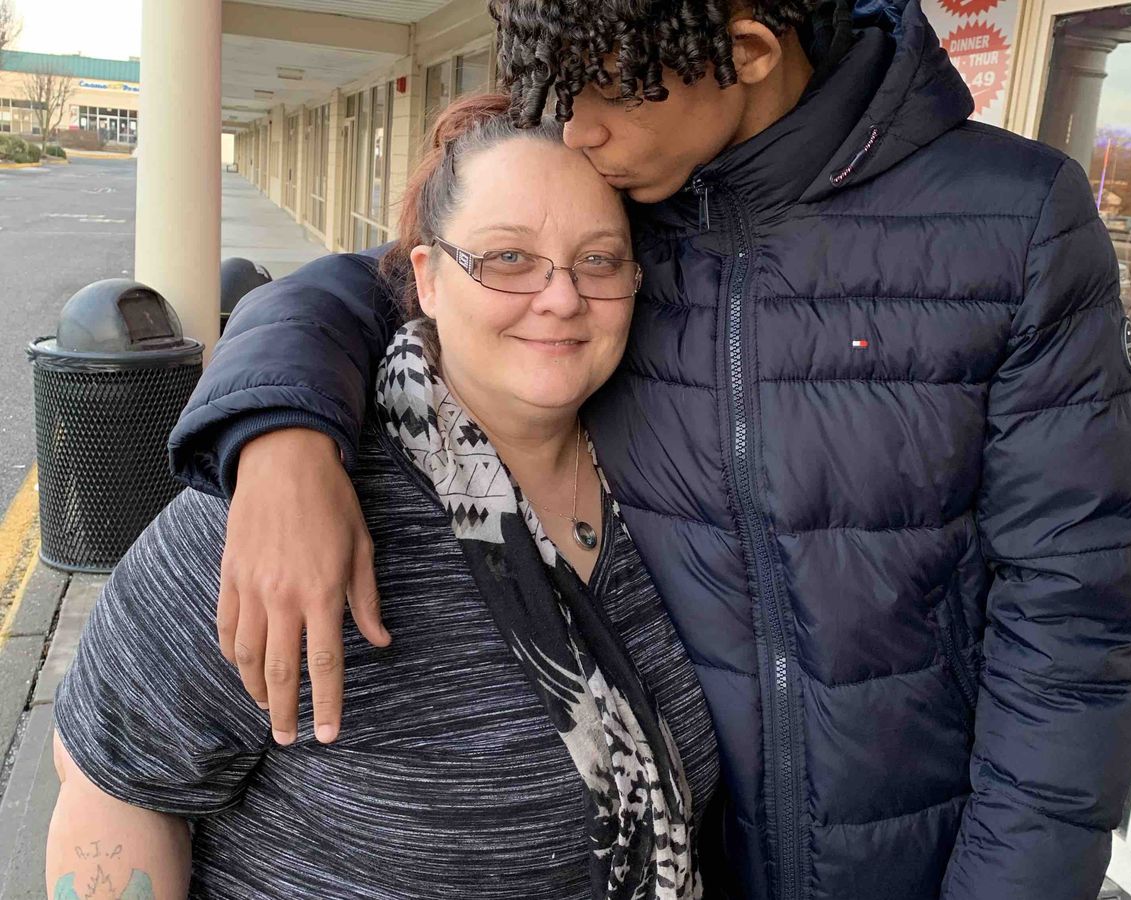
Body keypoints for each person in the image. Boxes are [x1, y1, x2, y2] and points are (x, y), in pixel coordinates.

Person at [167, 0, 1131, 897]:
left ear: (749, 50)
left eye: (606, 89)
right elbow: (393, 281)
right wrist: (281, 439)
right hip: (683, 857)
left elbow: (1074, 611)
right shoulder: (630, 201)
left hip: (925, 860)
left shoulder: (1014, 218)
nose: (577, 130)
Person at [46, 95, 720, 900]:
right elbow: (114, 778)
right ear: (427, 278)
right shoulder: (284, 508)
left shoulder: (665, 473)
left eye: (599, 260)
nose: (562, 297)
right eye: (508, 257)